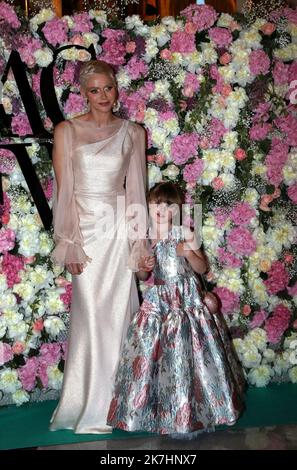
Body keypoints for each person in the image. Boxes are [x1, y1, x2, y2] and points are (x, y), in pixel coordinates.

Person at [49, 60, 148, 434]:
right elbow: (64, 192)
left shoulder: (133, 132)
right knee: (91, 317)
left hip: (119, 231)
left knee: (120, 320)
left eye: (108, 88)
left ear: (116, 89)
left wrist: (140, 244)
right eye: (95, 90)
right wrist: (69, 243)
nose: (103, 96)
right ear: (83, 92)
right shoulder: (66, 130)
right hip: (86, 236)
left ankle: (122, 405)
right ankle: (88, 406)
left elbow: (136, 192)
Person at [107, 182, 245, 435]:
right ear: (147, 206)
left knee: (191, 353)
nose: (161, 209)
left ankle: (201, 408)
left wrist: (189, 254)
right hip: (160, 301)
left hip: (187, 299)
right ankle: (157, 411)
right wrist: (144, 265)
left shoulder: (185, 233)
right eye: (156, 203)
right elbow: (141, 275)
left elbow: (202, 268)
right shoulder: (146, 237)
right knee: (155, 355)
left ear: (177, 209)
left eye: (168, 205)